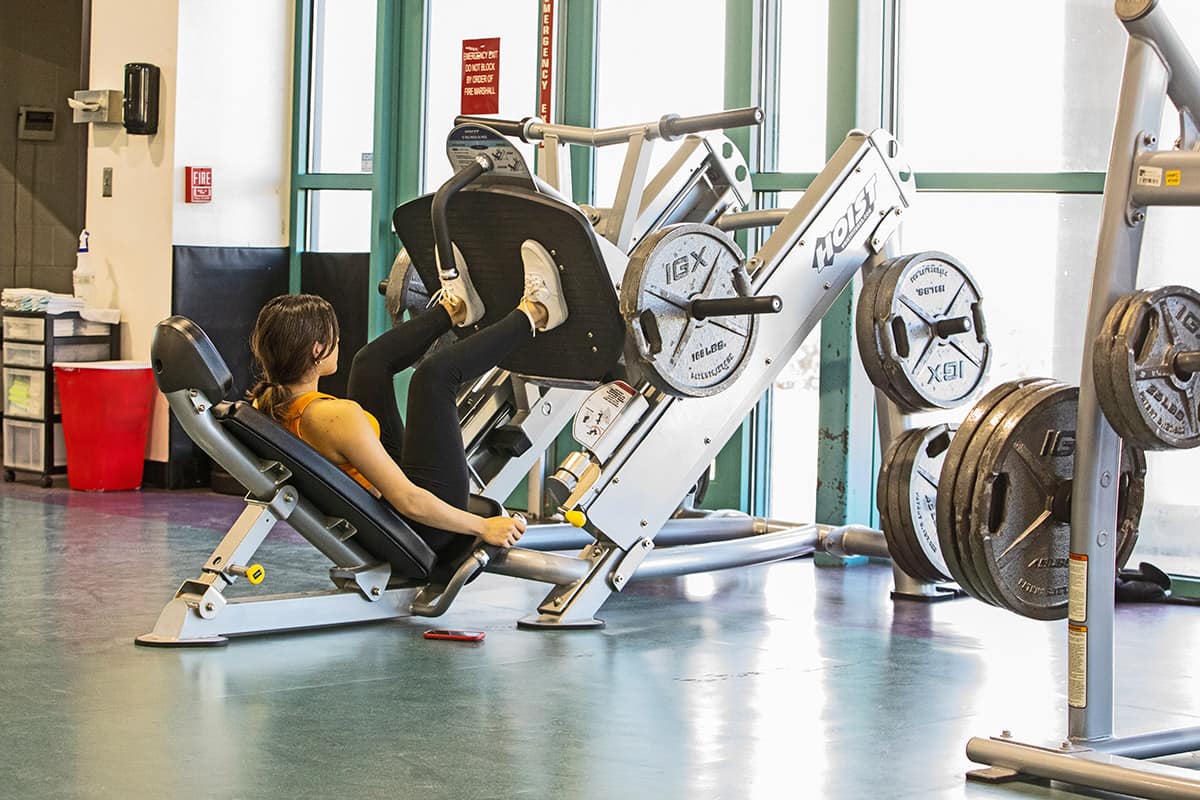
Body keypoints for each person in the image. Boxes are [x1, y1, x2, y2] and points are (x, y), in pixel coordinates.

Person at [247, 239, 569, 575]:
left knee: (368, 363)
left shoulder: (266, 405)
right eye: (334, 338)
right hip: (421, 529)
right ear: (317, 350)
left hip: (381, 515)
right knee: (434, 376)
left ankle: (454, 308)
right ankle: (537, 310)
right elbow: (409, 500)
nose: (339, 343)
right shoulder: (337, 417)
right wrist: (482, 526)